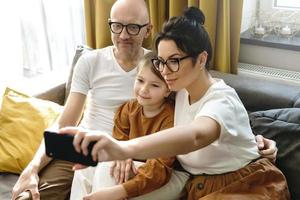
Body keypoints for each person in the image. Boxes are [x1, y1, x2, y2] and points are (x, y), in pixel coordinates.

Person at [12, 0, 277, 199]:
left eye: (173, 62)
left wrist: (124, 149)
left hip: (237, 184)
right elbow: (228, 129)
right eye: (161, 62)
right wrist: (33, 166)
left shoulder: (205, 95)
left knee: (112, 179)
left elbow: (200, 133)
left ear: (202, 59)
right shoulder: (178, 88)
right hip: (177, 175)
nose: (164, 71)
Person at [12, 0, 151, 200]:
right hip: (81, 148)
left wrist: (129, 151)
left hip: (125, 153)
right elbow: (64, 122)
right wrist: (31, 168)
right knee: (29, 197)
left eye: (133, 27)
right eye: (117, 26)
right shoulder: (90, 61)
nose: (123, 35)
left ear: (148, 30)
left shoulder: (157, 67)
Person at [71, 52, 176, 200]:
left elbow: (160, 169)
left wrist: (122, 185)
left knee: (107, 168)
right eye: (140, 80)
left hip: (157, 174)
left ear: (167, 90)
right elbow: (120, 143)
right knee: (87, 164)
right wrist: (121, 155)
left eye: (154, 85)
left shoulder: (170, 119)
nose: (144, 89)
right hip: (132, 166)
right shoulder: (127, 110)